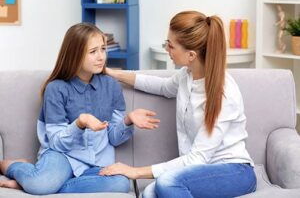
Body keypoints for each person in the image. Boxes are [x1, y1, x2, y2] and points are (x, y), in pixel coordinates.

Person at [100, 11, 257, 198]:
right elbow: (163, 87)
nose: (167, 49)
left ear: (191, 55)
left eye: (171, 45)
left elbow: (197, 159)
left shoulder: (223, 93)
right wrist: (113, 73)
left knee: (166, 182)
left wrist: (135, 171)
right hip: (199, 171)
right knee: (149, 193)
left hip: (234, 171)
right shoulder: (187, 75)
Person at [0, 23, 160, 195]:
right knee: (41, 184)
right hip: (62, 157)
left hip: (96, 162)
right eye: (93, 52)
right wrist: (80, 123)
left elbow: (113, 137)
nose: (101, 57)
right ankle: (14, 166)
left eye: (103, 49)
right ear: (74, 55)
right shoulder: (56, 89)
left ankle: (37, 182)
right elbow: (56, 142)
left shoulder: (112, 86)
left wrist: (128, 121)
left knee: (120, 183)